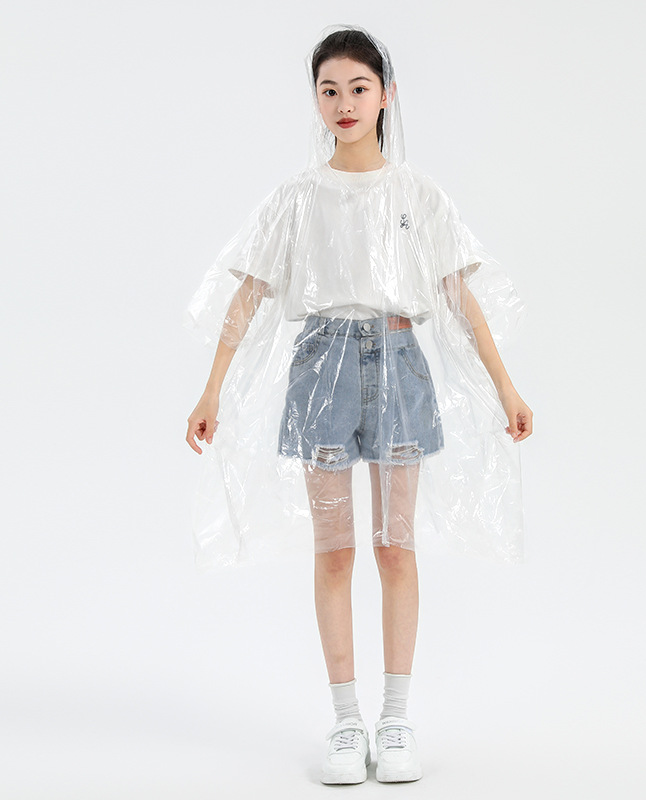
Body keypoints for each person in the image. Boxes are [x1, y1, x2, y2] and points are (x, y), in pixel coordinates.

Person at [184, 24, 532, 785]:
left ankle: (395, 717)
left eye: (358, 88)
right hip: (322, 371)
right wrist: (213, 389)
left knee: (395, 548)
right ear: (315, 100)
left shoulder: (417, 194)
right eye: (329, 90)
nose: (343, 103)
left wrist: (505, 386)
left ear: (386, 95)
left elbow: (460, 296)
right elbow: (249, 294)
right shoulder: (297, 198)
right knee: (335, 550)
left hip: (399, 364)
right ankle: (346, 722)